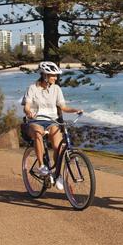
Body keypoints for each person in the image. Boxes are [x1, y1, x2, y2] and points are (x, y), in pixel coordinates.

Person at [22, 61, 83, 189]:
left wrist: (75, 110)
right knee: (38, 133)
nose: (55, 78)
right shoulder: (32, 88)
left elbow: (63, 107)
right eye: (53, 75)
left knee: (58, 146)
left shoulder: (56, 89)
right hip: (35, 121)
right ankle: (41, 166)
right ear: (44, 75)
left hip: (51, 121)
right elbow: (26, 107)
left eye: (56, 76)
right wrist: (29, 112)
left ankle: (57, 174)